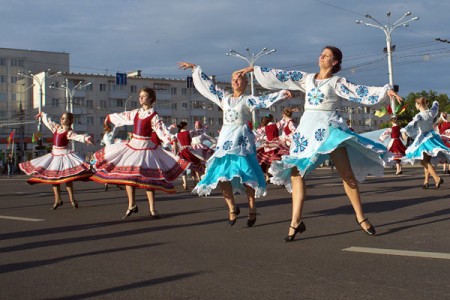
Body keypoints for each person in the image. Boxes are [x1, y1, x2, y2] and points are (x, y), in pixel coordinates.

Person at [237, 45, 402, 241]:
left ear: (335, 62)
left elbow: (357, 90)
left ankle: (360, 217)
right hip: (308, 131)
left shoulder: (336, 82)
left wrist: (386, 92)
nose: (321, 57)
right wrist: (255, 70)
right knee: (296, 173)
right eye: (321, 54)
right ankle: (295, 221)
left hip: (330, 131)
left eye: (326, 56)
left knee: (347, 175)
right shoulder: (307, 79)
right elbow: (283, 75)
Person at [178, 61, 292, 227]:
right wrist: (196, 69)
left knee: (247, 174)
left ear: (246, 83)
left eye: (239, 78)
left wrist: (281, 94)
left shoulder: (248, 100)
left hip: (242, 140)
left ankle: (252, 208)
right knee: (221, 174)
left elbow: (264, 100)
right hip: (225, 139)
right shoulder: (224, 98)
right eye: (234, 79)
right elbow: (209, 86)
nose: (236, 81)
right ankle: (232, 208)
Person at [91, 87, 190, 219]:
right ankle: (131, 204)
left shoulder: (154, 116)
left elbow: (161, 131)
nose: (141, 98)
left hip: (147, 149)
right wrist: (109, 117)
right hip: (132, 147)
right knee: (127, 176)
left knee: (149, 179)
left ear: (151, 99)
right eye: (140, 96)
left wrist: (172, 139)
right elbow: (124, 116)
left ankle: (152, 208)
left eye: (144, 96)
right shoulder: (136, 112)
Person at [19, 112, 94, 209]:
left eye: (64, 118)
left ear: (70, 121)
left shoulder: (69, 132)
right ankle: (58, 199)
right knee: (54, 178)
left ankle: (72, 199)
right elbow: (49, 122)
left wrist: (86, 138)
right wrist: (43, 115)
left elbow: (77, 137)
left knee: (67, 178)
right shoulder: (56, 128)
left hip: (64, 156)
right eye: (61, 118)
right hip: (54, 156)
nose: (61, 120)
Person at [401, 97, 450, 189]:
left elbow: (412, 124)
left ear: (419, 105)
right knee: (427, 161)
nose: (415, 105)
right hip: (432, 137)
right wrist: (434, 103)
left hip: (424, 138)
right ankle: (426, 182)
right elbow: (435, 106)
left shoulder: (419, 116)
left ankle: (437, 178)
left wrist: (404, 131)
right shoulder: (431, 112)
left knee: (424, 162)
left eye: (416, 104)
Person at [175, 121, 206, 190]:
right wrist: (203, 128)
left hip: (182, 151)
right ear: (184, 126)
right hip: (189, 150)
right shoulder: (189, 132)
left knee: (184, 167)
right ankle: (198, 181)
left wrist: (176, 152)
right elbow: (198, 133)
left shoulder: (177, 134)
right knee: (197, 164)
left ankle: (185, 184)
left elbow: (177, 144)